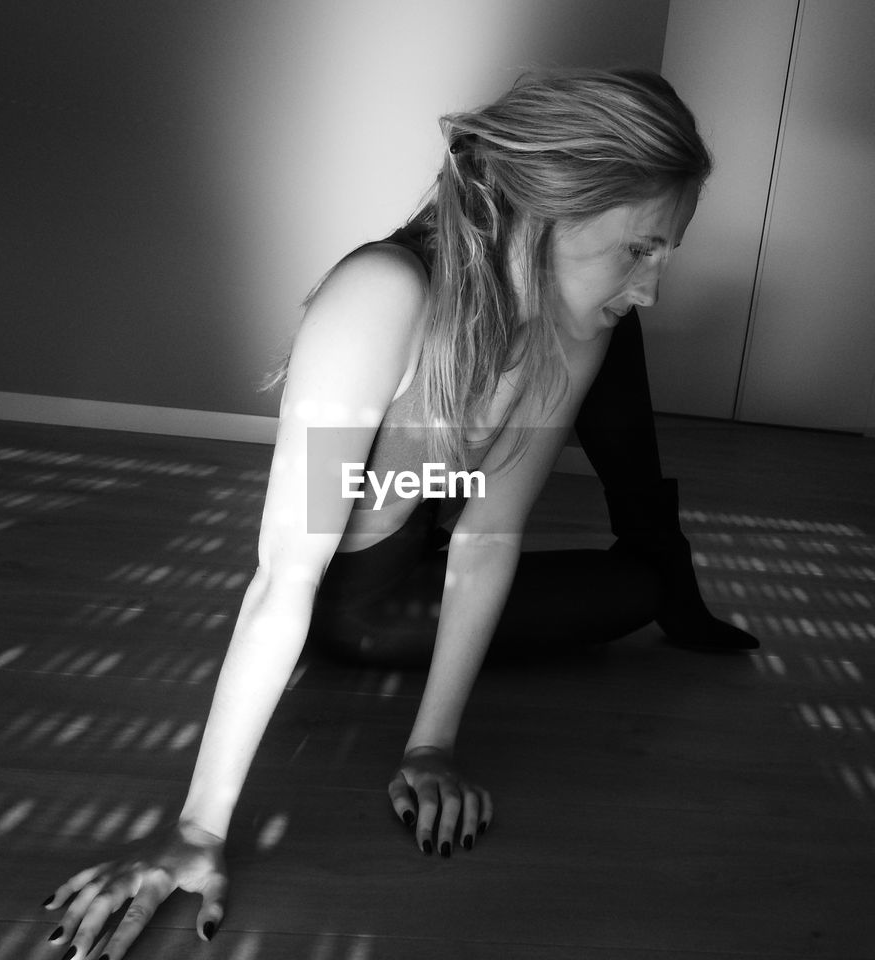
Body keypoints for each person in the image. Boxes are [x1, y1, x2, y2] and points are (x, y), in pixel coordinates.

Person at [40, 67, 758, 960]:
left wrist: (432, 748)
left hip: (435, 530)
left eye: (666, 254)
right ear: (545, 209)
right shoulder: (381, 294)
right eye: (640, 249)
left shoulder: (582, 327)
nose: (653, 287)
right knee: (492, 574)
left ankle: (654, 565)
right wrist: (198, 826)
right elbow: (285, 575)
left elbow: (491, 531)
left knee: (635, 589)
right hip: (360, 595)